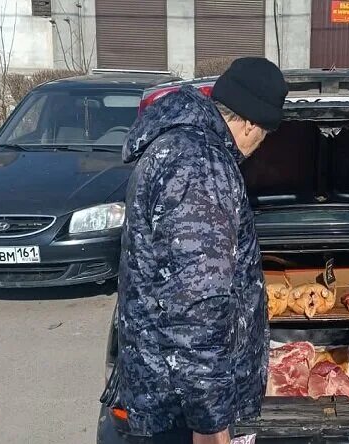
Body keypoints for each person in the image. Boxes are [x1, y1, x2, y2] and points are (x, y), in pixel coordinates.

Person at [116, 58, 288, 444]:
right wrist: (210, 423)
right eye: (263, 136)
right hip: (179, 406)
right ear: (249, 123)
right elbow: (197, 306)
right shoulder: (200, 165)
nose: (257, 148)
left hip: (169, 389)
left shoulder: (177, 146)